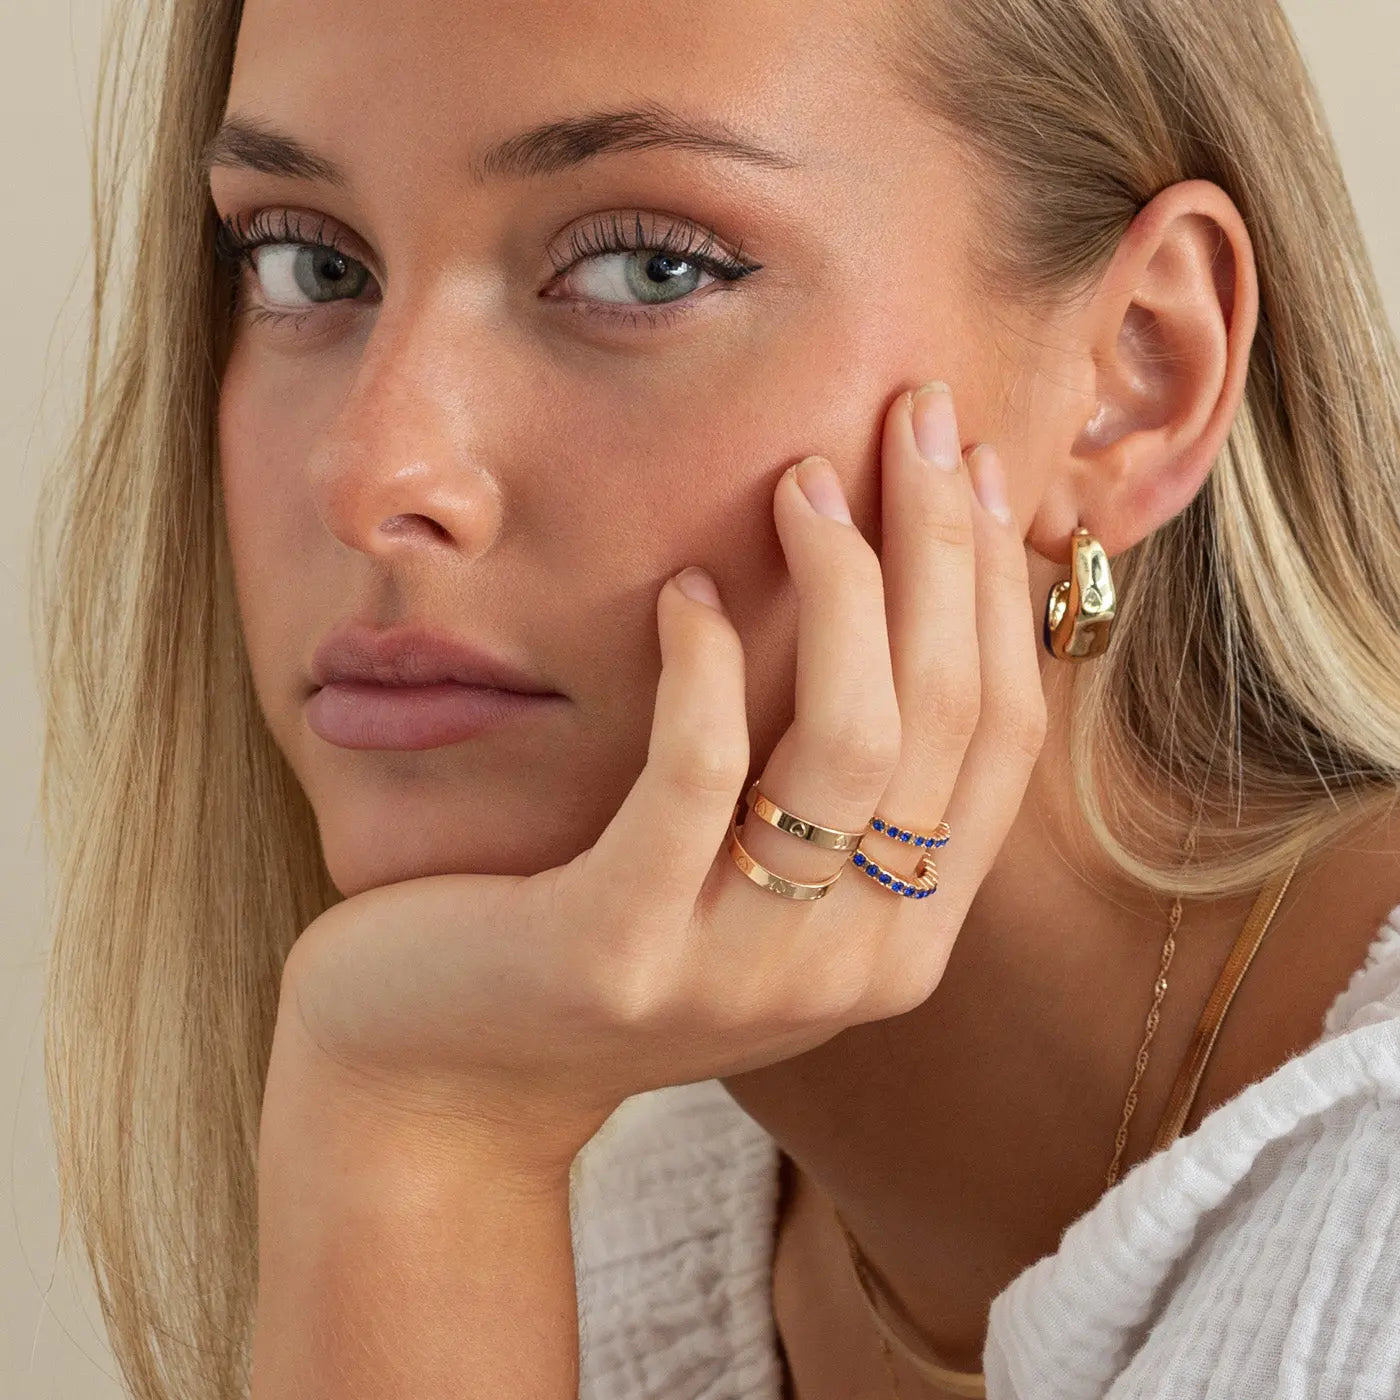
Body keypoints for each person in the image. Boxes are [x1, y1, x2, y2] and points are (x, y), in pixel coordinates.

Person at [32, 0, 1400, 1396]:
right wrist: (413, 1133)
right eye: (308, 262)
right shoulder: (598, 1241)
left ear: (1139, 375)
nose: (375, 475)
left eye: (646, 267)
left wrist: (425, 1144)